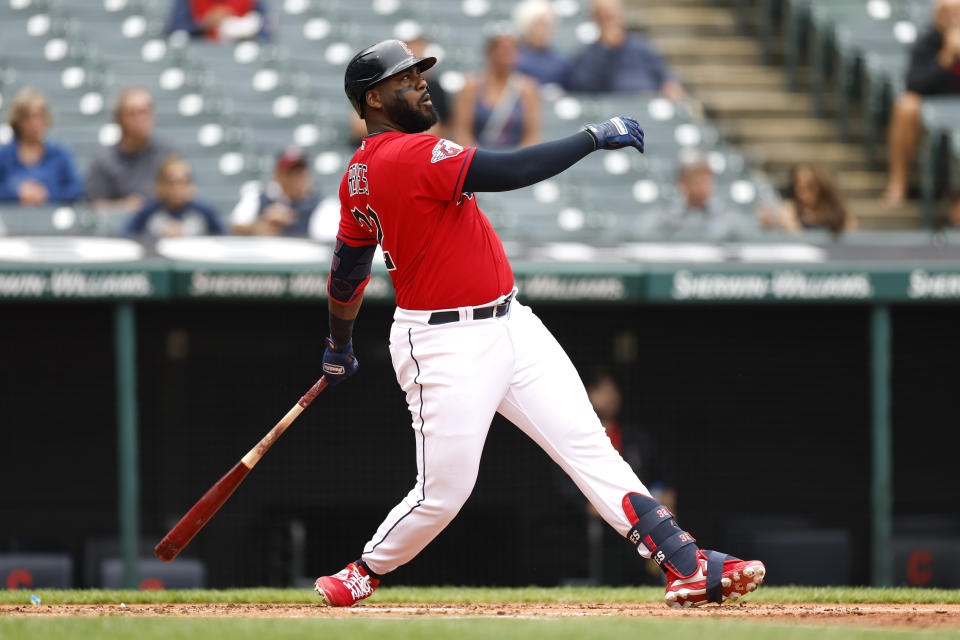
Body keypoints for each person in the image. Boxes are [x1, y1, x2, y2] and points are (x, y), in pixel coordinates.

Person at [312, 39, 765, 609]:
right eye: (406, 78)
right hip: (443, 342)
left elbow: (348, 272)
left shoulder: (358, 172)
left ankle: (686, 563)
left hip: (511, 321)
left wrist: (339, 343)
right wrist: (592, 137)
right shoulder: (407, 155)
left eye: (421, 73)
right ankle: (364, 570)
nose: (423, 83)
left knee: (590, 448)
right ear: (373, 98)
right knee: (444, 492)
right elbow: (510, 169)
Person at [884, 0, 960, 206]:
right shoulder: (927, 42)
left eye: (957, 12)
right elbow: (915, 84)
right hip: (932, 108)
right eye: (948, 12)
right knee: (906, 105)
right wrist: (946, 56)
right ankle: (898, 184)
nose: (953, 18)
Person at [563, 0, 685, 100]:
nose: (612, 22)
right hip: (615, 110)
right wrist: (605, 49)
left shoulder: (640, 45)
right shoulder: (588, 54)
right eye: (605, 18)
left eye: (615, 16)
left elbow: (663, 73)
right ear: (596, 20)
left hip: (647, 102)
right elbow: (583, 88)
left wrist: (670, 83)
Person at [86, 87, 176, 215]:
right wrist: (122, 207)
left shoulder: (167, 153)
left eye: (145, 112)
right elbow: (94, 206)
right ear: (119, 119)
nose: (140, 119)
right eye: (132, 114)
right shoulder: (104, 160)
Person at [449, 28, 541, 149]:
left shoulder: (527, 89)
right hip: (476, 159)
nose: (506, 54)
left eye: (511, 49)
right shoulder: (471, 86)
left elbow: (532, 136)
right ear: (489, 52)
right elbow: (461, 132)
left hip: (515, 160)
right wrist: (479, 159)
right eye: (501, 49)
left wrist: (517, 161)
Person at [348, 34, 449, 143]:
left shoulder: (433, 86)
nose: (415, 53)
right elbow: (359, 127)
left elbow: (434, 132)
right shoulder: (378, 83)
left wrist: (390, 125)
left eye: (420, 49)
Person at [0, 87, 84, 206]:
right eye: (28, 118)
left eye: (40, 116)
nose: (35, 123)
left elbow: (75, 189)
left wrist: (47, 194)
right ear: (18, 121)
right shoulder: (3, 155)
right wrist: (16, 193)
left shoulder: (59, 153)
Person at [642, 155, 758, 240]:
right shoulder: (664, 216)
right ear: (682, 184)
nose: (703, 186)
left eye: (707, 181)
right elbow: (645, 239)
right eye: (696, 181)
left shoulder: (728, 216)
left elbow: (747, 241)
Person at [230, 145, 330, 238]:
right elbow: (235, 226)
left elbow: (326, 241)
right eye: (290, 173)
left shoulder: (323, 205)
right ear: (278, 175)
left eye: (300, 172)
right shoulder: (258, 198)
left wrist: (291, 221)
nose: (296, 179)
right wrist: (263, 224)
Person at [125, 156, 224, 239]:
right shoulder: (147, 212)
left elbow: (222, 237)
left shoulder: (204, 211)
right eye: (171, 183)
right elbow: (128, 236)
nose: (177, 188)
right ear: (160, 185)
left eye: (182, 182)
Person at [761, 164, 856, 235]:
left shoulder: (838, 212)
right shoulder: (790, 210)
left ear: (822, 186)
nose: (801, 192)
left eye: (809, 186)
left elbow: (850, 235)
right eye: (797, 186)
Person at [514, 0, 568, 87]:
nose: (544, 30)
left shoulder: (559, 62)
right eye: (539, 24)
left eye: (548, 25)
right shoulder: (513, 59)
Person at [166, 0, 272, 41]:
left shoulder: (251, 1)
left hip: (238, 59)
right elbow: (175, 29)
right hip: (203, 55)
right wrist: (204, 24)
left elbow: (266, 33)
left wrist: (245, 33)